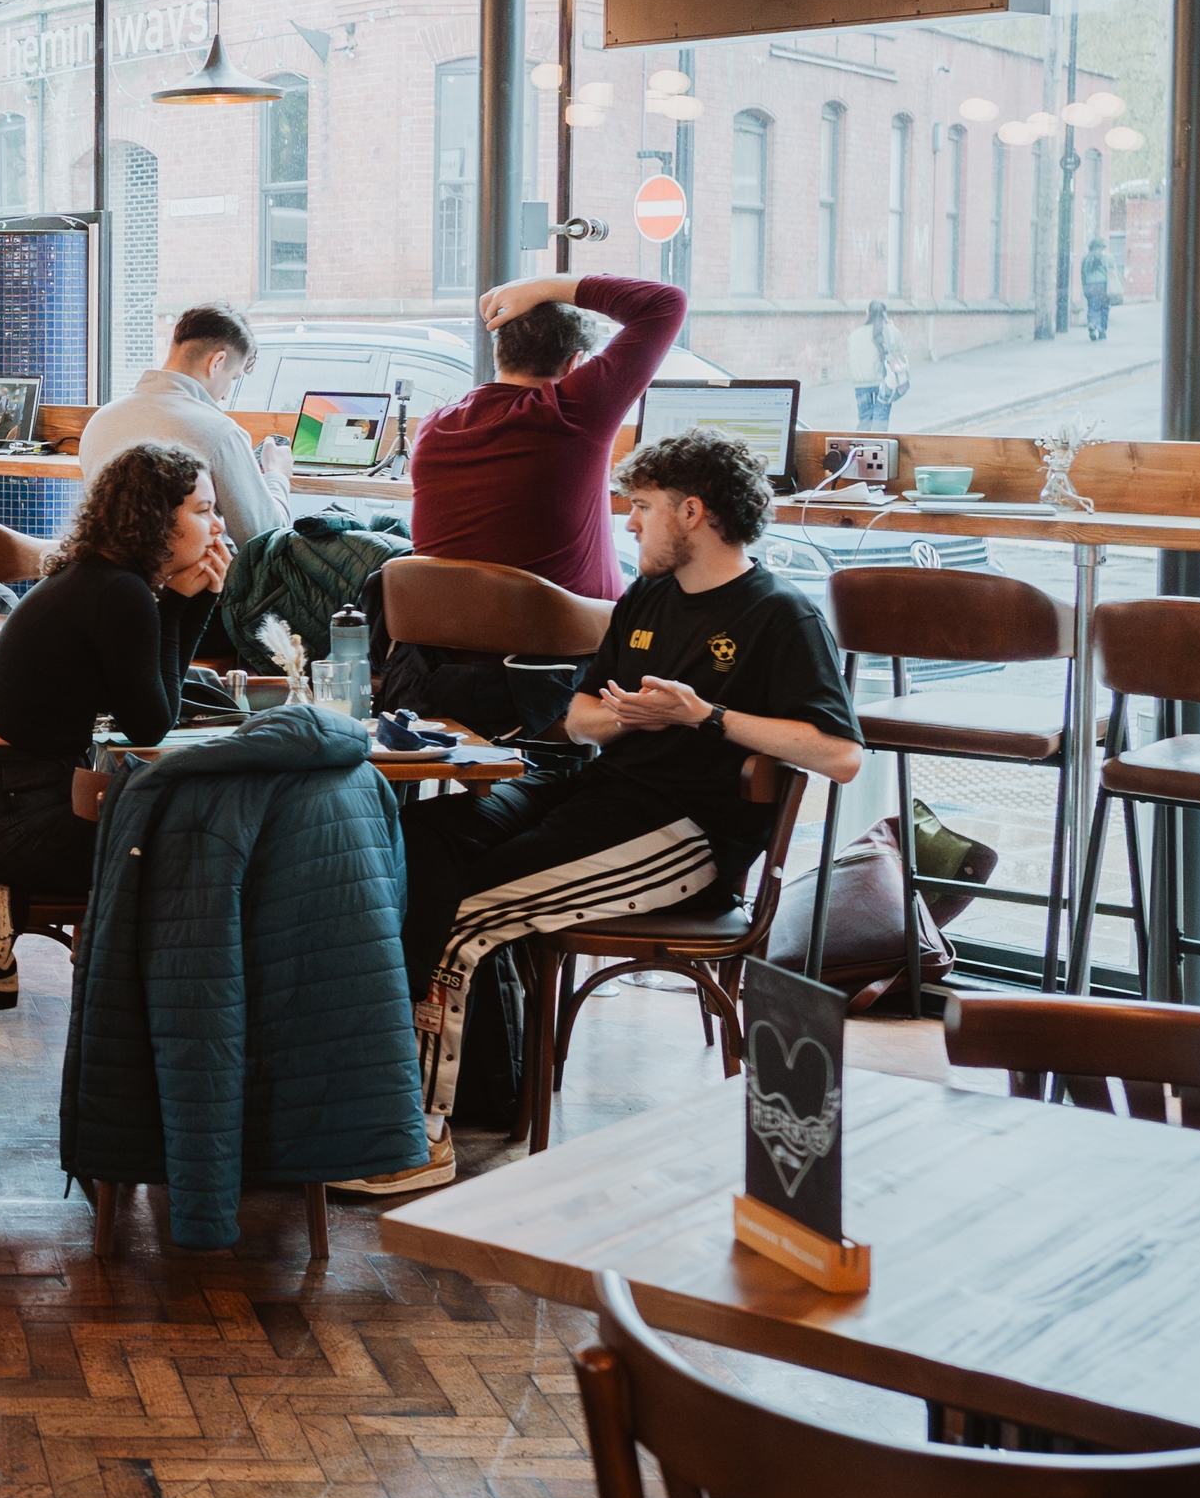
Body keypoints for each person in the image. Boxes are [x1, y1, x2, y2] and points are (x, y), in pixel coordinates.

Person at [339, 430, 862, 1197]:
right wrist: (630, 718)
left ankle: (414, 1140)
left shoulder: (780, 615)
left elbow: (840, 754)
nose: (628, 524)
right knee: (419, 838)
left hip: (687, 836)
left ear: (693, 512)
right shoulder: (648, 597)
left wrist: (704, 716)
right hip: (601, 792)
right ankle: (465, 1094)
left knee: (468, 911)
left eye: (642, 508)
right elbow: (582, 715)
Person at [0, 444, 229, 897]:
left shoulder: (99, 577)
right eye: (204, 511)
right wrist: (186, 605)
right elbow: (151, 725)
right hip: (9, 818)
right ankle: (127, 970)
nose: (219, 527)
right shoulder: (119, 592)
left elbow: (152, 704)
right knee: (202, 853)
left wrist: (181, 603)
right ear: (159, 520)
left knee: (194, 840)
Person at [402, 270, 687, 601]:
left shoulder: (433, 429)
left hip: (443, 641)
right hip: (573, 643)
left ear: (498, 352)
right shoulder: (573, 411)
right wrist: (543, 287)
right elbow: (666, 302)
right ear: (574, 363)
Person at [80, 303, 292, 544]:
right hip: (186, 579)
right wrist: (277, 476)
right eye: (233, 378)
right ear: (217, 362)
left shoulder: (99, 421)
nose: (225, 395)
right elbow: (262, 539)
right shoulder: (220, 432)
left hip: (110, 575)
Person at [844, 301, 913, 427]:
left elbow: (850, 360)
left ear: (867, 313)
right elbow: (902, 356)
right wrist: (892, 328)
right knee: (880, 422)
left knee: (864, 421)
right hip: (884, 384)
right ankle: (877, 446)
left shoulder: (854, 335)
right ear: (884, 314)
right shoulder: (892, 331)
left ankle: (861, 446)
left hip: (861, 386)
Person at [1081, 238, 1117, 344]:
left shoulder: (1086, 259)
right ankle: (1102, 330)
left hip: (1090, 286)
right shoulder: (1108, 257)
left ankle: (1092, 323)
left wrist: (1085, 288)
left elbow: (1083, 274)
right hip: (1103, 286)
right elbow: (1113, 272)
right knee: (1104, 308)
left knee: (1093, 307)